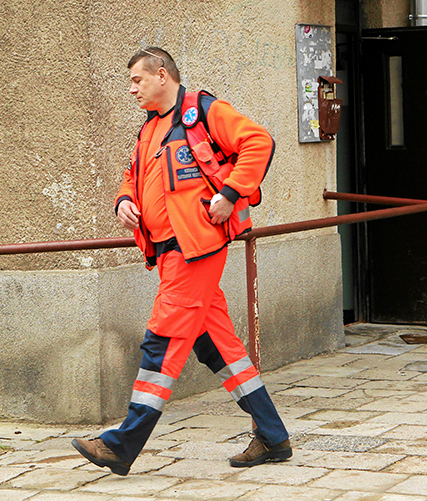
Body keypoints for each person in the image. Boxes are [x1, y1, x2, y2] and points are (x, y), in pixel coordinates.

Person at [71, 47, 291, 476]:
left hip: (195, 250)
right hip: (173, 252)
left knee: (163, 341)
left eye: (137, 80)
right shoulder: (149, 129)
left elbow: (259, 142)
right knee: (220, 347)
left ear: (162, 75)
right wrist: (123, 201)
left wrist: (230, 194)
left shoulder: (205, 111)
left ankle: (121, 444)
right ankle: (273, 436)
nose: (132, 88)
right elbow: (132, 176)